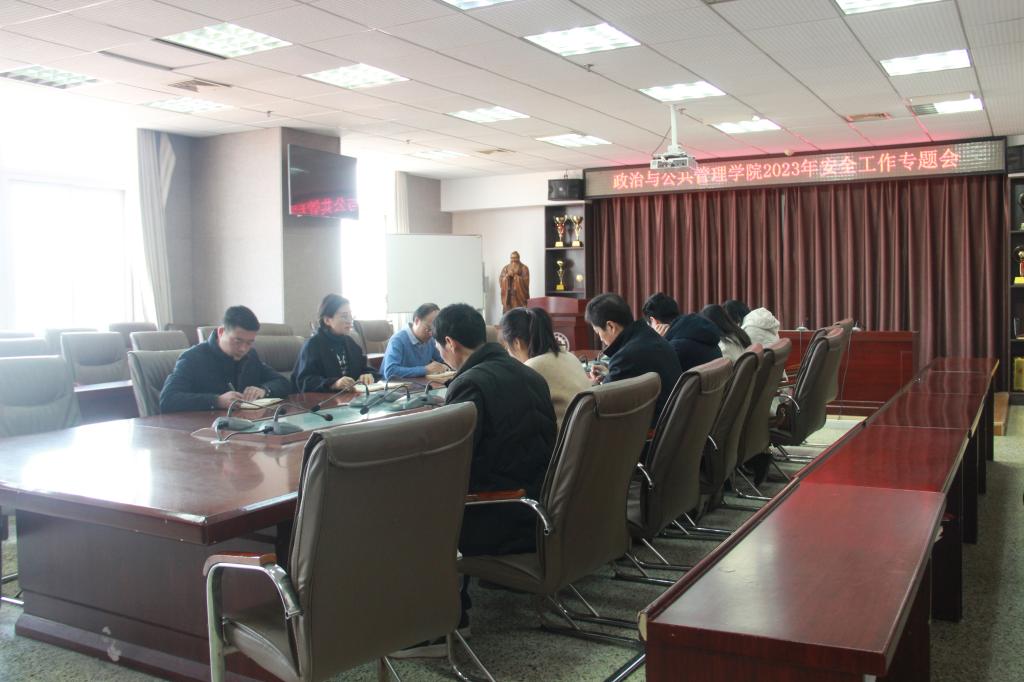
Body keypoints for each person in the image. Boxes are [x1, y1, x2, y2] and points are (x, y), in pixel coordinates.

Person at [395, 303, 555, 658]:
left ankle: (438, 624)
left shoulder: (470, 384)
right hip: (538, 510)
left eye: (439, 348)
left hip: (500, 517)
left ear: (450, 343)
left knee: (412, 503)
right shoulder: (529, 374)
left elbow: (452, 467)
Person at [159, 305, 291, 413]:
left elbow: (283, 382)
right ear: (221, 332)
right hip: (206, 429)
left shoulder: (251, 356)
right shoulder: (193, 358)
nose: (243, 349)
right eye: (238, 341)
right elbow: (168, 399)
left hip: (246, 425)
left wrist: (264, 390)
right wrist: (216, 401)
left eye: (249, 343)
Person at [585, 293, 681, 424]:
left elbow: (602, 407)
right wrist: (610, 374)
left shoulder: (626, 357)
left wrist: (594, 386)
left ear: (611, 326)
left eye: (598, 332)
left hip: (652, 431)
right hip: (672, 423)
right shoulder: (649, 335)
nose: (600, 339)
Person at [500, 306, 590, 431]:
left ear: (516, 343)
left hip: (561, 440)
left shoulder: (530, 369)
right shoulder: (570, 356)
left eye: (507, 347)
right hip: (587, 435)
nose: (508, 352)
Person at [292, 294, 377, 393]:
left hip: (350, 397)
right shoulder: (313, 345)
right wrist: (334, 384)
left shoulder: (350, 342)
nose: (350, 320)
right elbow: (304, 381)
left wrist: (367, 375)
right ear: (327, 320)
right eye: (344, 316)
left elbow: (366, 368)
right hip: (323, 400)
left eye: (350, 315)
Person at [641, 292, 723, 372]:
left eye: (649, 325)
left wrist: (658, 342)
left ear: (654, 321)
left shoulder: (673, 349)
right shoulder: (702, 332)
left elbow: (647, 373)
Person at [380, 302, 447, 380]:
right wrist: (425, 370)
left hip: (419, 384)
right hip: (394, 386)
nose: (431, 334)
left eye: (434, 330)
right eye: (429, 329)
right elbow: (390, 372)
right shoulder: (398, 339)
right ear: (417, 321)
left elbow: (442, 360)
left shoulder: (430, 340)